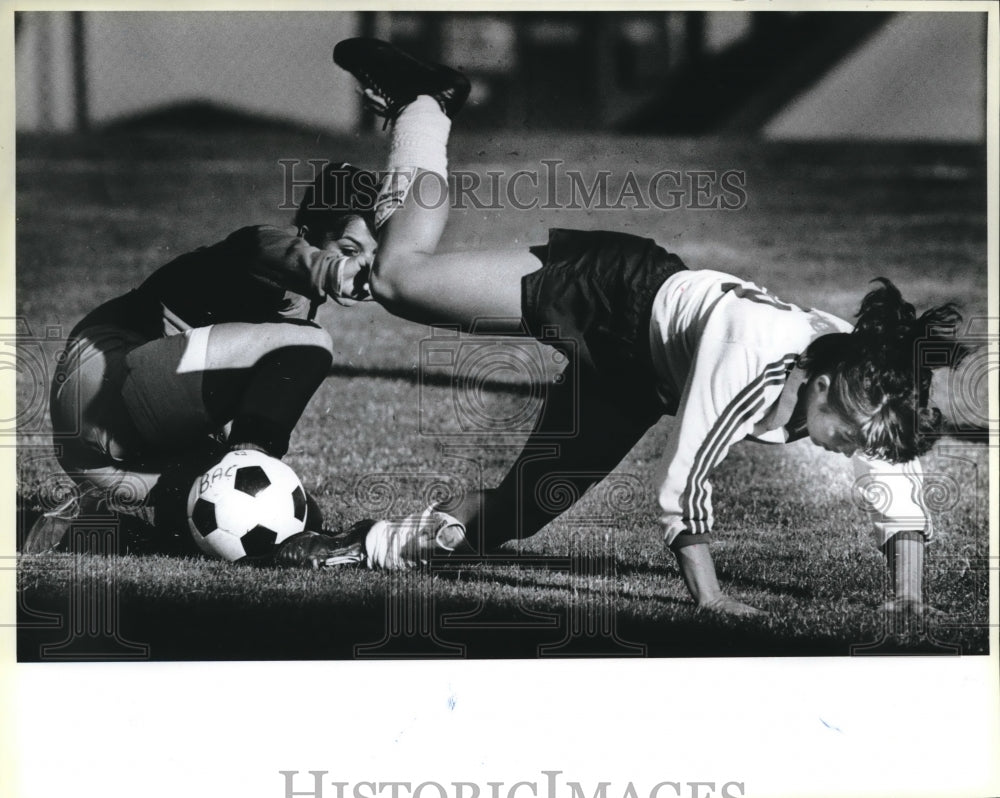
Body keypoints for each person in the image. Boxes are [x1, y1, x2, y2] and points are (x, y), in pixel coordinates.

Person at [325, 38, 976, 617]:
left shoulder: (861, 375)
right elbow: (683, 481)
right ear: (825, 384)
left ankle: (372, 545)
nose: (848, 448)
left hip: (638, 378)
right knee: (397, 282)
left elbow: (895, 484)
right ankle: (425, 107)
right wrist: (711, 597)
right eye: (850, 434)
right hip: (611, 293)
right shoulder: (755, 355)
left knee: (518, 514)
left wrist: (909, 596)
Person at [25, 41, 472, 568]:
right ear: (309, 236)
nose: (363, 269)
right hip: (103, 380)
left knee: (278, 523)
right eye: (350, 250)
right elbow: (257, 244)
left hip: (108, 450)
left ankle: (75, 526)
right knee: (308, 349)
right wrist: (330, 269)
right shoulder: (267, 255)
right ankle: (243, 463)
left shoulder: (290, 310)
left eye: (370, 258)